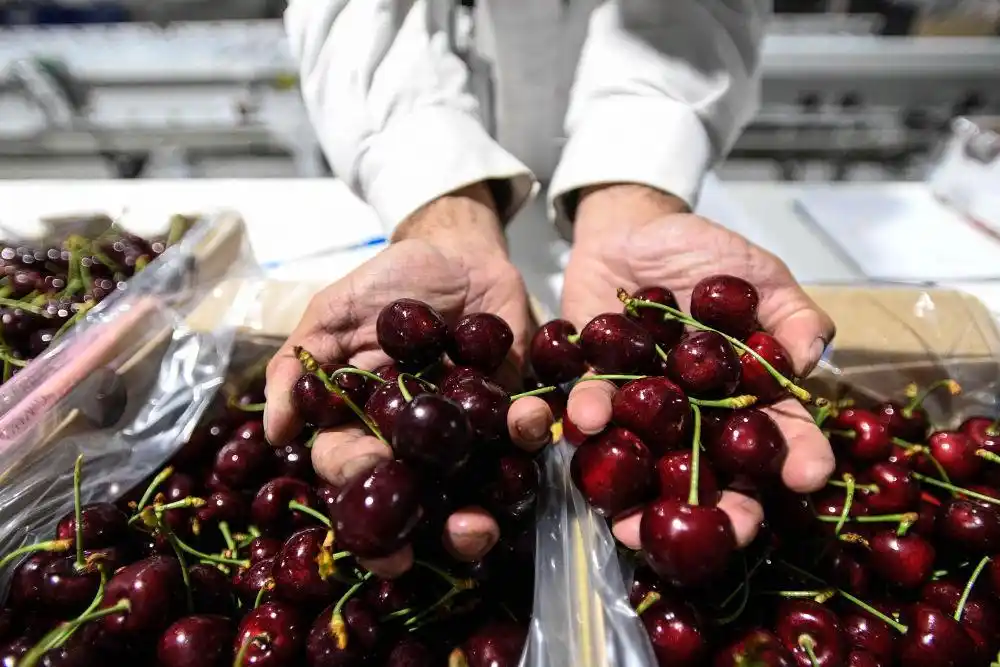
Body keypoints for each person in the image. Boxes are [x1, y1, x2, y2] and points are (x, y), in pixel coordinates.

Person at [265, 0, 836, 578]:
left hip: (630, 210)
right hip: (458, 139)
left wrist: (636, 188)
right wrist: (440, 206)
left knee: (559, 414)